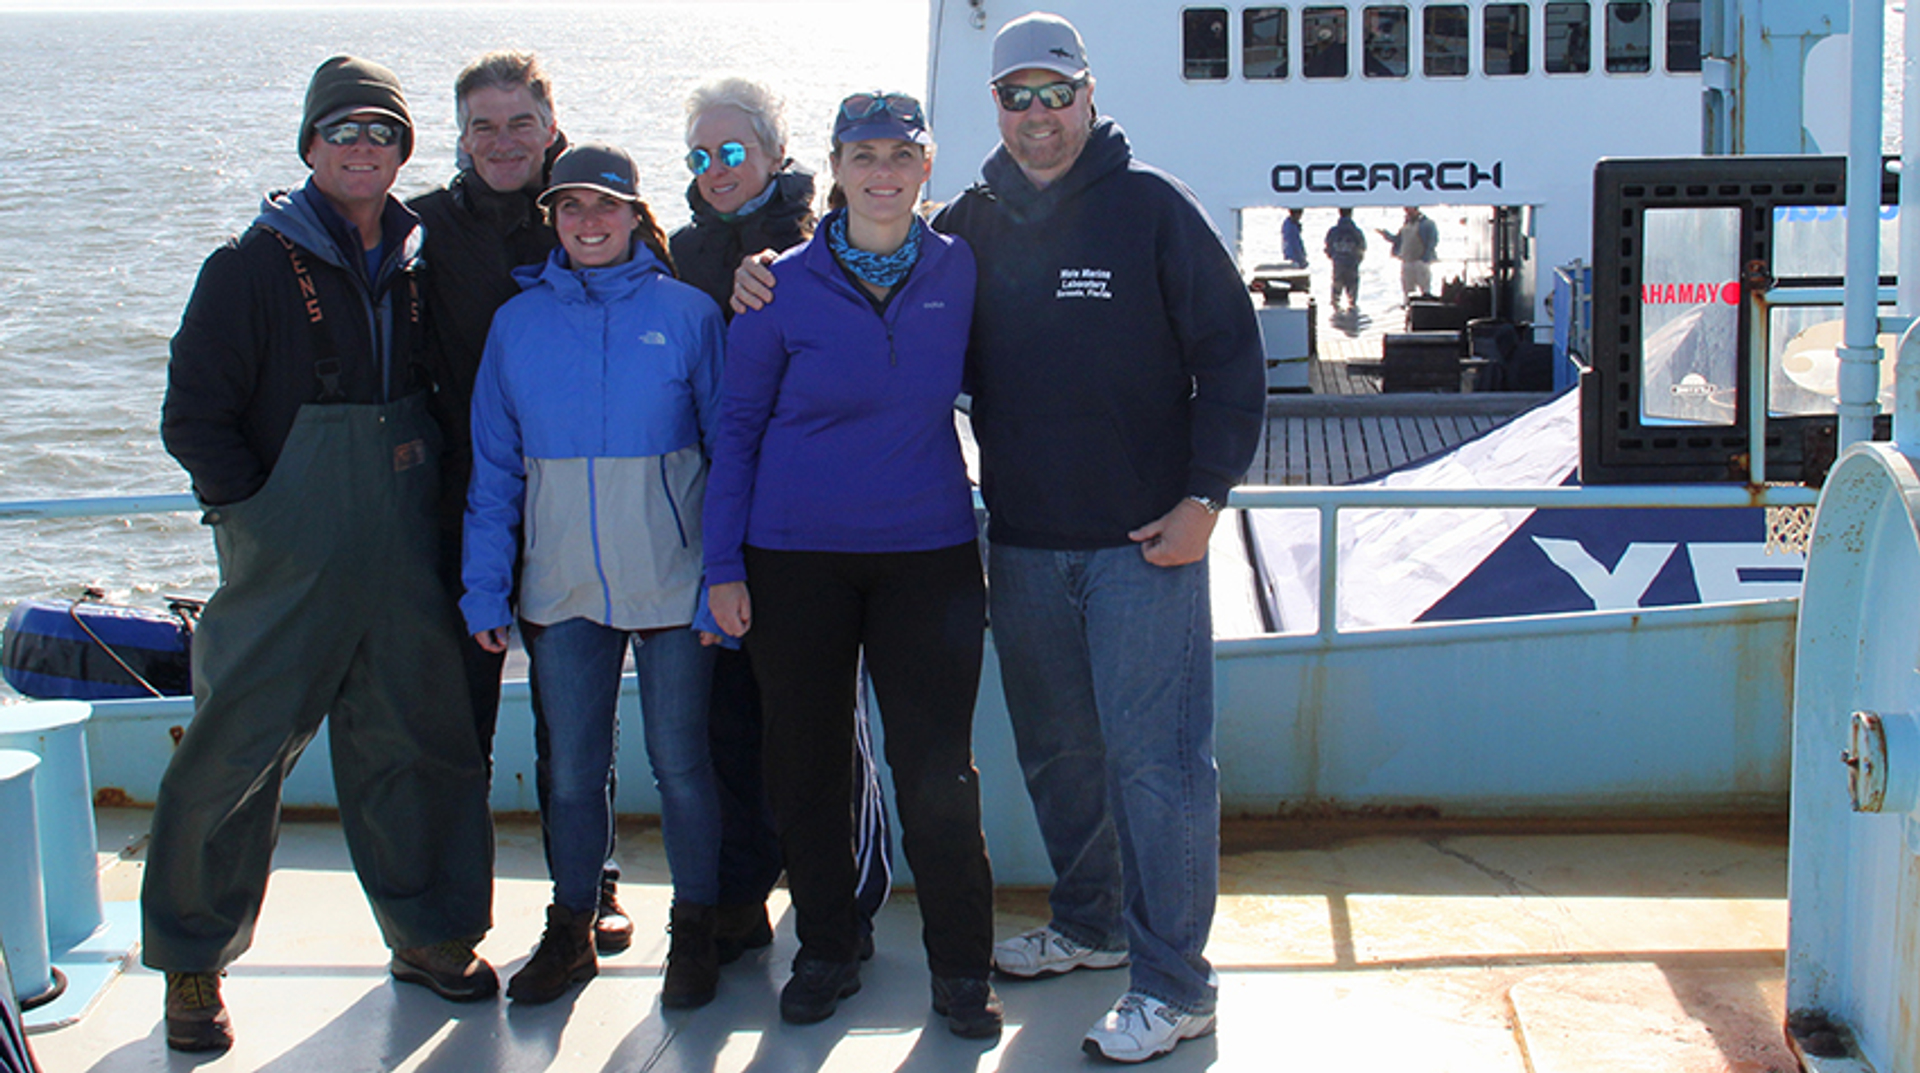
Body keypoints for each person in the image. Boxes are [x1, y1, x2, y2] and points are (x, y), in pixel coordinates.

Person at [733, 11, 1265, 1062]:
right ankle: (1090, 921)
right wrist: (761, 265)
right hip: (1018, 542)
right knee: (1058, 753)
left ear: (1089, 94)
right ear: (993, 110)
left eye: (1055, 93)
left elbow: (1233, 359)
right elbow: (871, 257)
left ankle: (1176, 981)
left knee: (1157, 766)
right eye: (1017, 97)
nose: (1039, 116)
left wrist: (1207, 497)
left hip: (1145, 544)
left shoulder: (1154, 209)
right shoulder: (970, 223)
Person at [148, 55, 497, 1053]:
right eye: (342, 130)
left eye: (382, 133)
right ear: (309, 146)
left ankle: (430, 934)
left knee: (416, 741)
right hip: (285, 554)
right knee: (233, 754)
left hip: (402, 545)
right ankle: (190, 959)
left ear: (403, 153)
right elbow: (193, 414)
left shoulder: (420, 261)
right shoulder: (249, 266)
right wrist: (255, 509)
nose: (362, 148)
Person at [704, 92, 1001, 1038]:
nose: (883, 172)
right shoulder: (777, 282)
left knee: (937, 770)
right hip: (794, 557)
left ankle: (961, 967)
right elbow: (737, 428)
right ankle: (829, 944)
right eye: (864, 154)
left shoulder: (962, 268)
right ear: (833, 166)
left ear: (926, 166)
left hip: (928, 554)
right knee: (808, 763)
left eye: (901, 155)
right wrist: (722, 566)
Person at [462, 143, 727, 1009]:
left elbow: (730, 455)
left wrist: (726, 573)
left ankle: (694, 931)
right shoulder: (517, 323)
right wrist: (484, 587)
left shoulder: (688, 314)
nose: (588, 223)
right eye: (570, 208)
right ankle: (572, 925)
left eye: (604, 207)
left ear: (635, 214)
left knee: (683, 763)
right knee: (572, 771)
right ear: (553, 220)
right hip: (562, 587)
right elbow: (495, 469)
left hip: (675, 580)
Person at [408, 51, 636, 958]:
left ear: (552, 125)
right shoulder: (418, 228)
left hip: (580, 509)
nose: (503, 142)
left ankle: (591, 889)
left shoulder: (597, 212)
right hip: (460, 508)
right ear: (459, 138)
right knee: (455, 720)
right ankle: (451, 920)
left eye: (520, 123)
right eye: (483, 126)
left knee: (573, 720)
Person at [667, 77, 893, 968]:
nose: (715, 170)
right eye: (699, 156)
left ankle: (848, 901)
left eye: (732, 153)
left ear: (773, 153)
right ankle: (739, 897)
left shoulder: (815, 243)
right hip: (716, 524)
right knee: (728, 720)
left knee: (822, 722)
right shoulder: (678, 251)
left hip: (809, 522)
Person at [1379, 204, 1440, 300]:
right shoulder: (1406, 225)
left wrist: (1425, 258)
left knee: (1425, 290)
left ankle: (1426, 307)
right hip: (1406, 261)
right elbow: (1398, 240)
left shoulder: (1427, 224)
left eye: (1408, 209)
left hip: (1420, 262)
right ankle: (1409, 307)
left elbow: (1432, 241)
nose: (1406, 211)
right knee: (1408, 291)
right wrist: (1386, 235)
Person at [1325, 207, 1366, 312]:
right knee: (1352, 288)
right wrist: (1358, 258)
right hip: (1352, 263)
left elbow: (1328, 246)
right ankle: (1352, 308)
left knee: (1337, 284)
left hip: (1338, 263)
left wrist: (1333, 256)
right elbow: (1362, 246)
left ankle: (1335, 307)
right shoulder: (1356, 231)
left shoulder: (1333, 231)